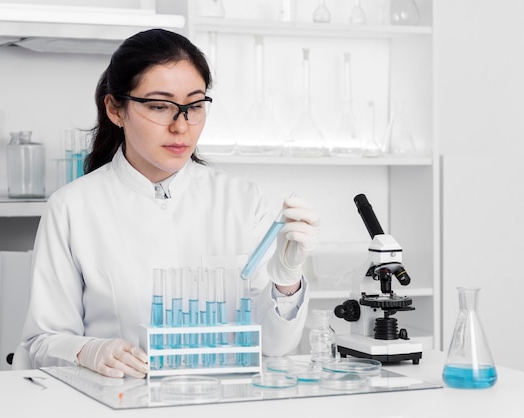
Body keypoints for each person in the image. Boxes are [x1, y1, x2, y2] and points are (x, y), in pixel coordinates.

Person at [20, 28, 320, 378]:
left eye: (194, 106)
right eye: (160, 106)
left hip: (223, 404)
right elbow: (42, 342)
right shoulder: (72, 208)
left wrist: (286, 282)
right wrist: (88, 350)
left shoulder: (241, 200)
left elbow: (274, 346)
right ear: (116, 109)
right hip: (118, 403)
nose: (182, 126)